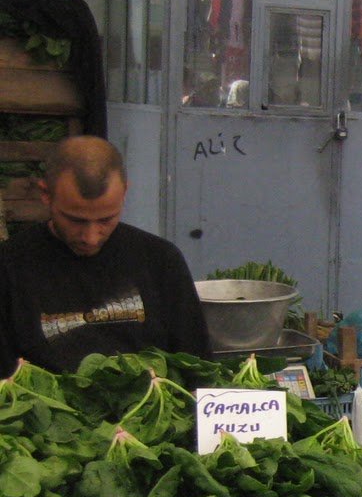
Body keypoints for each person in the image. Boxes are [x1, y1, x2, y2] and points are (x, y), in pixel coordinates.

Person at [0, 135, 209, 375]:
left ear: (124, 193)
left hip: (148, 407)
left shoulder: (160, 260)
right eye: (75, 220)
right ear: (46, 194)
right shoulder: (9, 266)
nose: (91, 237)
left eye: (106, 219)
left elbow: (196, 368)